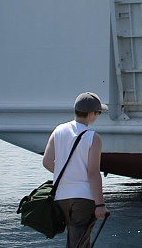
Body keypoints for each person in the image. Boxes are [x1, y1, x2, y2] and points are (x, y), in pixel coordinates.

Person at [42, 92, 109, 248]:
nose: (97, 117)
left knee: (74, 241)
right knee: (80, 243)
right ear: (91, 114)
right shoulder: (93, 137)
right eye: (98, 113)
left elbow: (46, 162)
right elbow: (93, 173)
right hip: (83, 199)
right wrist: (100, 205)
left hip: (61, 196)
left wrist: (67, 175)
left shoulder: (58, 130)